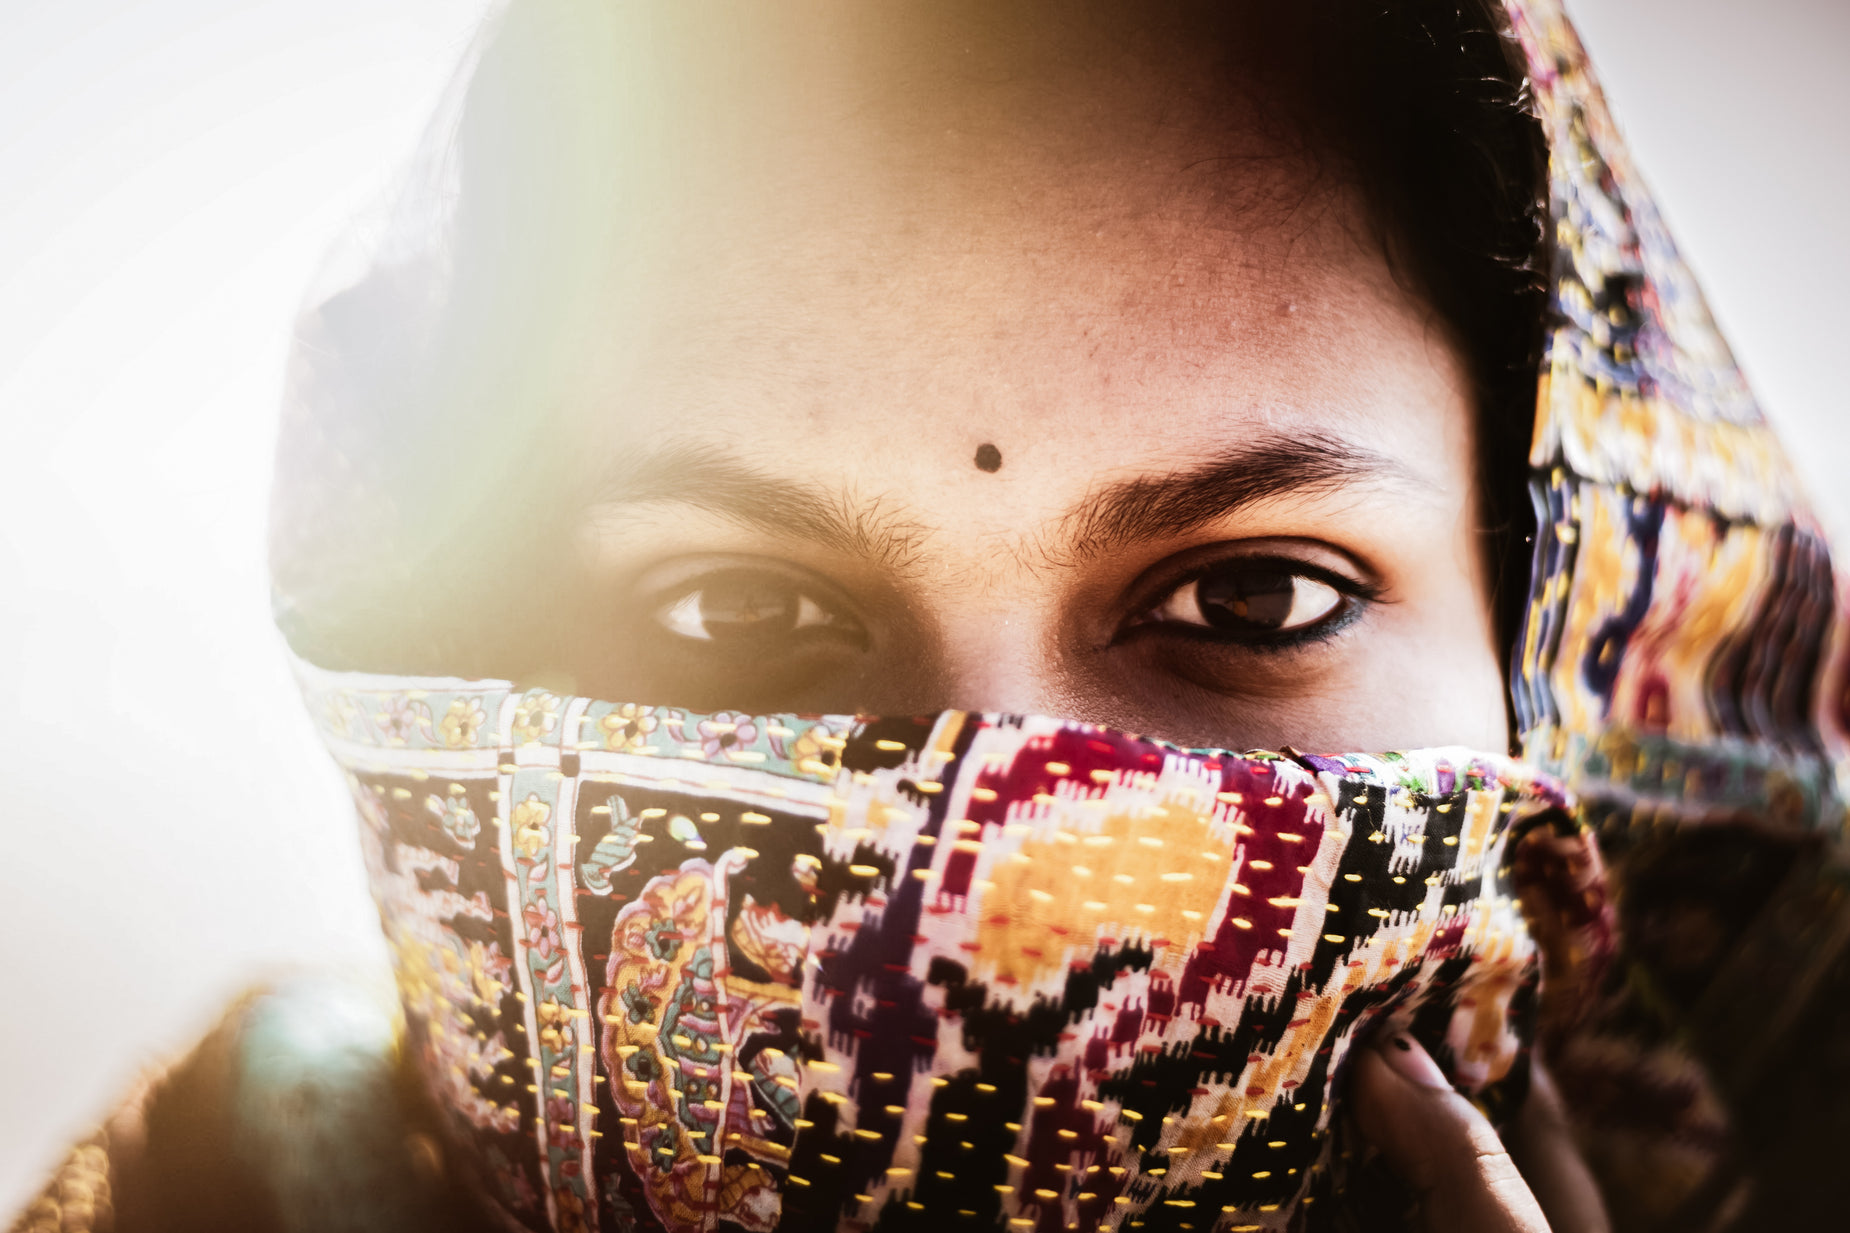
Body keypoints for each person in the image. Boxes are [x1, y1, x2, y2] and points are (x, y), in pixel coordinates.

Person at [15, 1, 1847, 1231]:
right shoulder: (239, 1182)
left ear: (1572, 653)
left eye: (1252, 593)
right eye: (739, 605)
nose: (993, 867)